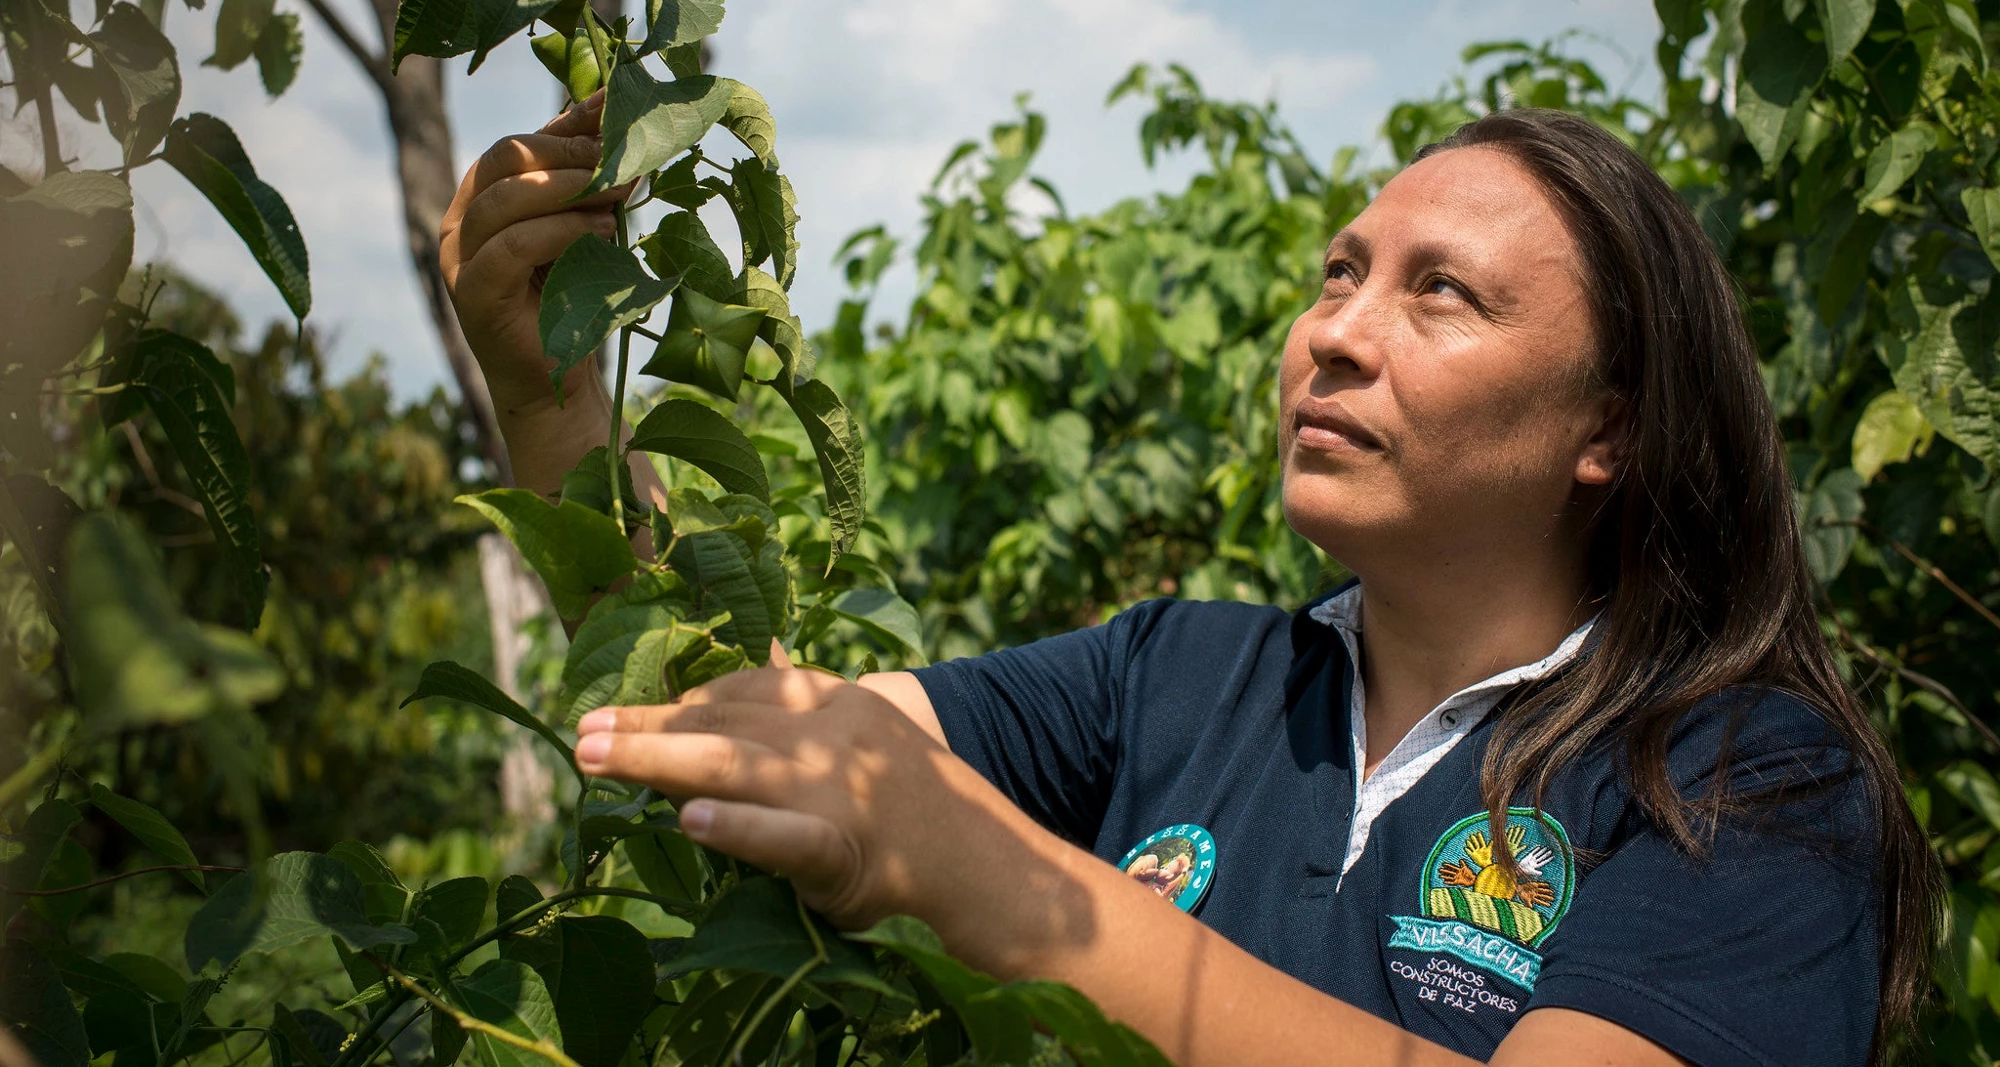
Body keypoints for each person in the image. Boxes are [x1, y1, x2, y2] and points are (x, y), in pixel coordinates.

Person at [441, 100, 1938, 1066]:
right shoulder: (1176, 675)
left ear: (1606, 424)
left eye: (1441, 291)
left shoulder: (1747, 781)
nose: (1336, 332)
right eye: (1340, 272)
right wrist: (554, 388)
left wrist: (998, 878)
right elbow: (749, 737)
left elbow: (923, 828)